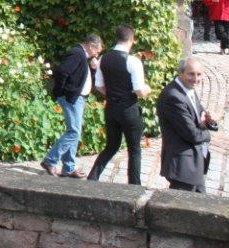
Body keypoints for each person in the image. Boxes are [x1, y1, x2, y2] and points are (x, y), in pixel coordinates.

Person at [87, 25, 152, 185]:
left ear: (117, 38)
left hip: (111, 109)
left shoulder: (104, 58)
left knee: (111, 146)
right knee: (134, 149)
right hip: (129, 110)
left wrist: (112, 95)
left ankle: (93, 177)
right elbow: (139, 91)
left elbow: (99, 86)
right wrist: (148, 89)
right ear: (131, 40)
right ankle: (134, 185)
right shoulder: (133, 61)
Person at [42, 34, 103, 178]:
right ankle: (50, 160)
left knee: (74, 132)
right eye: (97, 51)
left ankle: (68, 168)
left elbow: (77, 75)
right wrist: (62, 92)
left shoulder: (82, 56)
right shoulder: (77, 54)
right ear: (90, 46)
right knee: (74, 132)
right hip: (71, 98)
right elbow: (62, 71)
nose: (97, 54)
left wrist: (93, 67)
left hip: (77, 98)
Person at [157, 57, 216, 193]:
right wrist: (207, 135)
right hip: (183, 165)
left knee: (201, 205)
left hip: (194, 162)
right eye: (191, 74)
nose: (195, 78)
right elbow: (192, 134)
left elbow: (200, 113)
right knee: (182, 209)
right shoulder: (173, 97)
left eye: (199, 74)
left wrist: (209, 120)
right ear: (181, 73)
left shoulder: (187, 88)